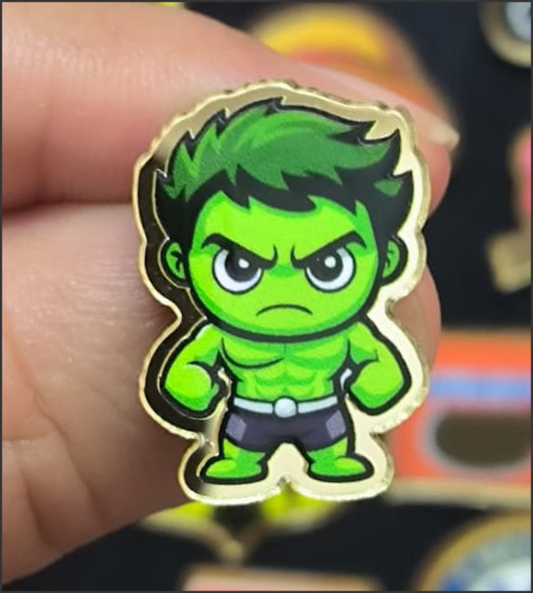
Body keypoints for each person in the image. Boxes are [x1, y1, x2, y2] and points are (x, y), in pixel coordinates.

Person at [2, 2, 454, 584]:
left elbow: (378, 369)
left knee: (331, 450)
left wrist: (376, 382)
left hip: (326, 417)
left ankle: (331, 459)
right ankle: (240, 461)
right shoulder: (216, 334)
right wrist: (190, 388)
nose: (284, 290)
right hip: (243, 418)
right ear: (177, 263)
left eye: (327, 265)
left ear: (388, 261)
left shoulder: (354, 334)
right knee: (237, 453)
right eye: (240, 265)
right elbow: (188, 371)